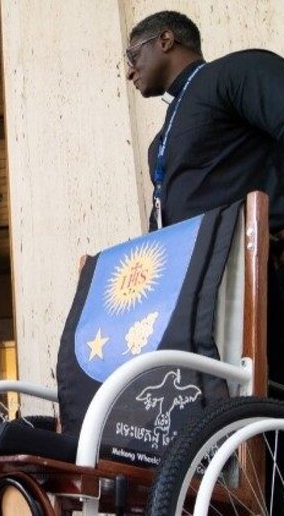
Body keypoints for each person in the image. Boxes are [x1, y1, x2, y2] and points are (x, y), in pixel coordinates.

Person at [125, 11, 284, 390]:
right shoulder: (160, 140)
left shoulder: (236, 72)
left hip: (263, 276)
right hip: (200, 296)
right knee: (224, 411)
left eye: (132, 57)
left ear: (165, 40)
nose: (129, 72)